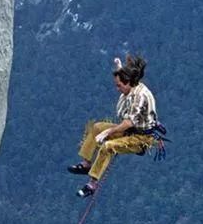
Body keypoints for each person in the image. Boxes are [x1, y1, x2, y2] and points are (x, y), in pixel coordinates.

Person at [68, 54, 159, 198]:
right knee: (97, 127)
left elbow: (129, 122)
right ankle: (86, 163)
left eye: (119, 86)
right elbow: (125, 76)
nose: (117, 89)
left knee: (108, 146)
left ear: (128, 83)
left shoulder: (140, 97)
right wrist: (119, 67)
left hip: (140, 138)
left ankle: (92, 184)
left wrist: (108, 132)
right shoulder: (131, 85)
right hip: (129, 131)